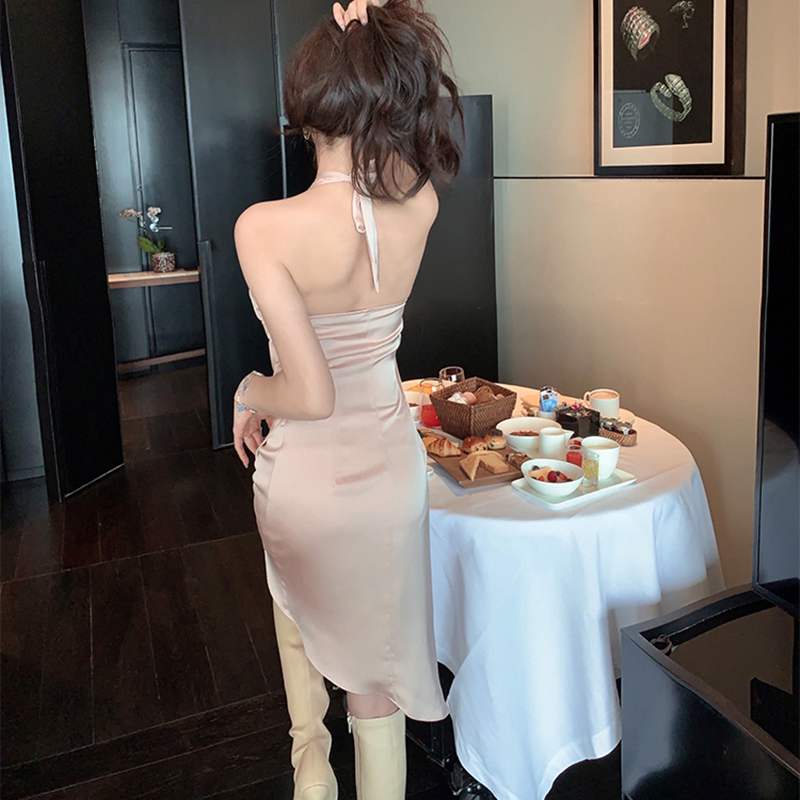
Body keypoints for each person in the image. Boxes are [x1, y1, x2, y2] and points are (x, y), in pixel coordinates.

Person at [231, 1, 462, 797]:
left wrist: (248, 391)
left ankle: (312, 772)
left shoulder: (264, 227)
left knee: (293, 602)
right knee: (378, 665)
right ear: (383, 96)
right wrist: (374, 51)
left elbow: (309, 392)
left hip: (308, 473)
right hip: (391, 471)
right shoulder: (421, 206)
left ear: (306, 111)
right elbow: (390, 176)